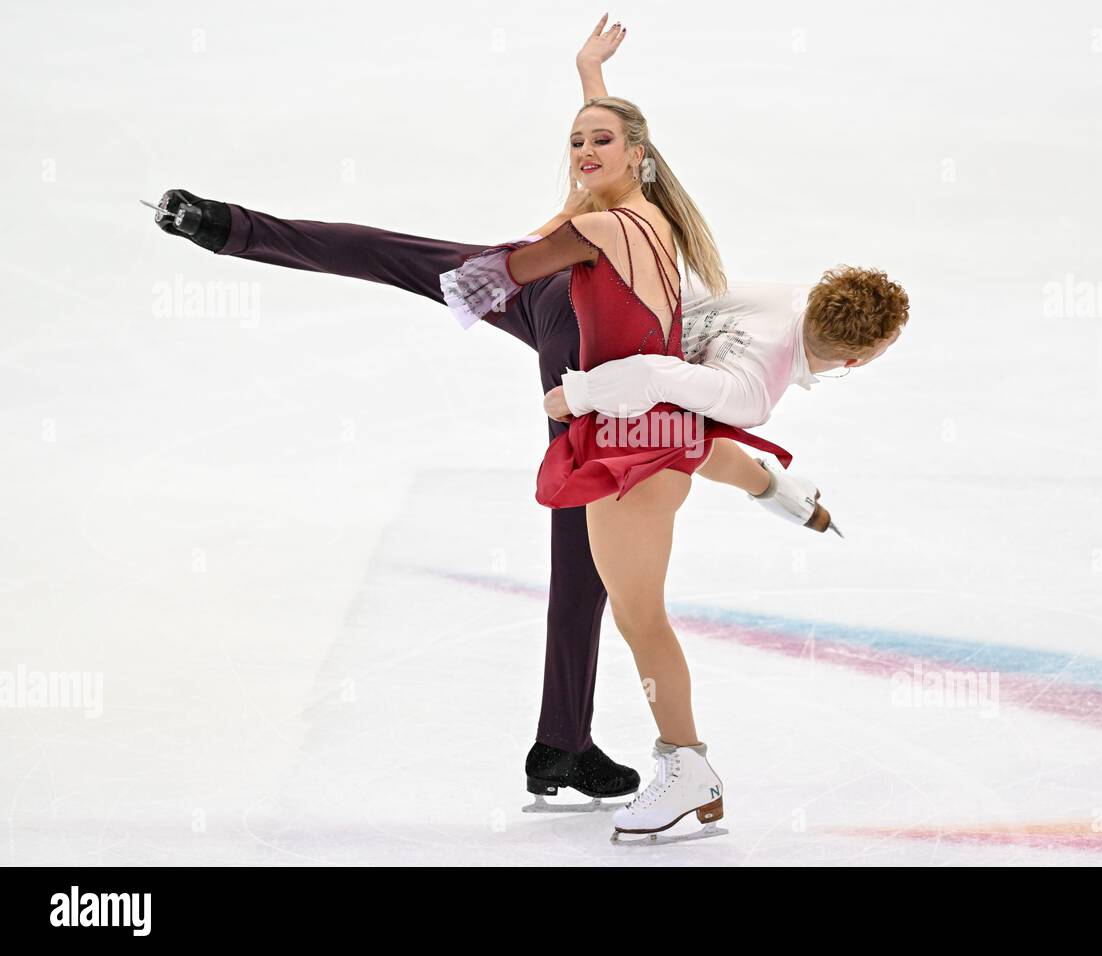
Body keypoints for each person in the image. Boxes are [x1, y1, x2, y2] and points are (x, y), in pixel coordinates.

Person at [145, 17, 909, 840]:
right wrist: (571, 382)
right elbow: (661, 382)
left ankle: (226, 226)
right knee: (592, 561)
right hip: (592, 346)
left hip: (572, 305)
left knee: (391, 256)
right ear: (853, 362)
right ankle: (574, 743)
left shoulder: (762, 282)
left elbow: (612, 173)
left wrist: (584, 110)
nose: (588, 149)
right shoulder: (751, 381)